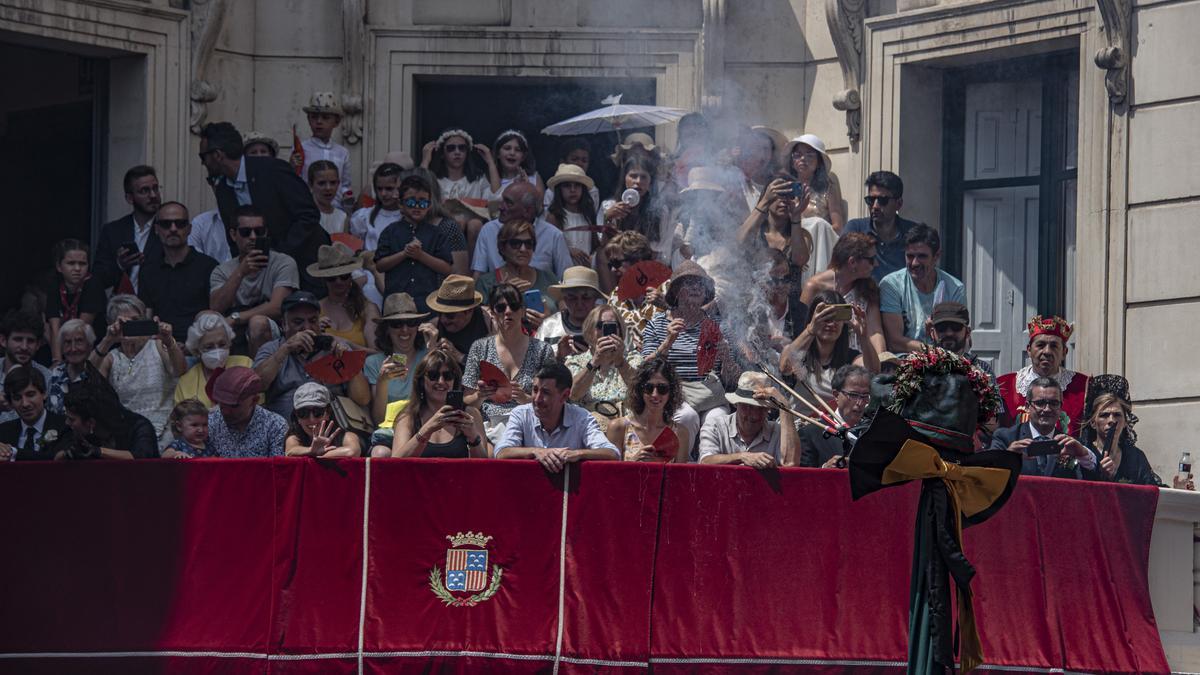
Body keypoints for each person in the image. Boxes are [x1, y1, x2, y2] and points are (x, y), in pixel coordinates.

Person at [199, 121, 328, 295]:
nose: (203, 164)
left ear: (217, 155)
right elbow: (234, 237)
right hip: (262, 278)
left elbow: (308, 214)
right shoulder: (223, 190)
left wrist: (280, 254)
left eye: (203, 157)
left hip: (306, 266)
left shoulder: (273, 170)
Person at [641, 261, 738, 426]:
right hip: (672, 395)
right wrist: (667, 343)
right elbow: (644, 370)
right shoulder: (657, 324)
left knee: (718, 420)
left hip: (710, 396)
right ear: (676, 291)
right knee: (686, 416)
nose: (696, 288)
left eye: (701, 284)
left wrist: (727, 358)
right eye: (689, 283)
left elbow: (732, 382)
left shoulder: (719, 326)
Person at [254, 290, 364, 419]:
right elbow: (257, 386)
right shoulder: (272, 349)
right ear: (284, 324)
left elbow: (362, 399)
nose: (307, 327)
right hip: (285, 426)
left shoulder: (334, 347)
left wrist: (348, 360)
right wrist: (285, 349)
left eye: (313, 321)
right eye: (298, 322)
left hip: (331, 424)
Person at [462, 284, 557, 430]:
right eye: (501, 308)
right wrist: (480, 395)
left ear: (522, 311)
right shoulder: (479, 348)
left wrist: (526, 399)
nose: (508, 312)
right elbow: (467, 400)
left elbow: (553, 399)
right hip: (489, 427)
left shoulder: (542, 350)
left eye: (514, 306)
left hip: (530, 424)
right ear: (492, 313)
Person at [209, 204, 300, 356]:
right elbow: (216, 307)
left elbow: (277, 307)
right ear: (233, 235)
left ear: (266, 232)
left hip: (272, 329)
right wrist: (240, 272)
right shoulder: (222, 270)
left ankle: (259, 371)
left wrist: (235, 318)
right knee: (206, 318)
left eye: (259, 231)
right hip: (233, 331)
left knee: (257, 323)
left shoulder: (283, 262)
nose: (253, 237)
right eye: (246, 232)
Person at [494, 362, 620, 471]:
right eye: (535, 390)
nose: (537, 399)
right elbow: (501, 452)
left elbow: (612, 453)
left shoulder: (582, 418)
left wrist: (577, 454)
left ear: (564, 395)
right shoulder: (521, 414)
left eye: (546, 392)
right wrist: (536, 451)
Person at [92, 295, 185, 440]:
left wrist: (169, 341)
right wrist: (108, 340)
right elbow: (89, 378)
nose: (130, 326)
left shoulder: (158, 346)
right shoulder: (111, 358)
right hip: (130, 434)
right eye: (123, 323)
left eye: (135, 320)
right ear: (113, 325)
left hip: (166, 432)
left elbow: (179, 370)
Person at [375, 173, 463, 312]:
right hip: (396, 303)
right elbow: (380, 265)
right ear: (400, 204)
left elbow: (447, 269)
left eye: (422, 203)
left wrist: (421, 255)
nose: (417, 206)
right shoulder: (390, 232)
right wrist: (404, 254)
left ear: (429, 205)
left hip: (427, 303)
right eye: (411, 202)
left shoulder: (436, 233)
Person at [380, 349, 490, 459]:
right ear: (421, 381)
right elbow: (396, 462)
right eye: (433, 375)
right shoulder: (409, 417)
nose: (441, 381)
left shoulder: (470, 414)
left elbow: (483, 465)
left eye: (448, 376)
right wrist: (426, 431)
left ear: (454, 380)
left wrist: (473, 438)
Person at [137, 201, 219, 343]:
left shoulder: (209, 266)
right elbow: (147, 316)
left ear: (189, 229)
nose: (173, 229)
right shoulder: (148, 270)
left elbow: (216, 314)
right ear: (156, 229)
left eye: (180, 223)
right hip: (160, 344)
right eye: (166, 224)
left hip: (200, 346)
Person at [996, 315, 1090, 436]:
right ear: (1029, 350)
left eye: (1054, 346)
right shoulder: (1004, 385)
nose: (1047, 351)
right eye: (1040, 345)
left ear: (1064, 352)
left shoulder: (1084, 386)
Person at [879, 224, 966, 353]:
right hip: (904, 360)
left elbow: (959, 337)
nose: (915, 263)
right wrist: (933, 351)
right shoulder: (891, 285)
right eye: (910, 256)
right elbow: (895, 342)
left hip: (944, 360)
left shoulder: (954, 288)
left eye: (922, 256)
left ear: (936, 256)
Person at [781, 290, 879, 403]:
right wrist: (810, 330)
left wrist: (863, 336)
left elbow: (873, 372)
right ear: (813, 318)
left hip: (835, 415)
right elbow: (785, 367)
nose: (832, 324)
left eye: (837, 318)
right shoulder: (801, 351)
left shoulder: (851, 358)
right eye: (826, 317)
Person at [989, 376, 1095, 478]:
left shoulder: (1070, 445)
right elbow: (988, 476)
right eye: (1040, 403)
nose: (1047, 409)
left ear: (1060, 408)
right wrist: (1007, 458)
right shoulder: (1005, 438)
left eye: (1054, 403)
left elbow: (1091, 481)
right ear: (1027, 407)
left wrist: (1083, 455)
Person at [800, 232, 886, 354]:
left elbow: (875, 332)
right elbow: (802, 330)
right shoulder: (815, 286)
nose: (876, 264)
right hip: (824, 356)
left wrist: (881, 360)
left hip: (860, 357)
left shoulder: (868, 288)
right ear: (852, 262)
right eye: (871, 260)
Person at [471, 181, 573, 279]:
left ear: (527, 211)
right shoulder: (488, 230)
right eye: (502, 201)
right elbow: (479, 275)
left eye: (509, 203)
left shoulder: (554, 236)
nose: (500, 207)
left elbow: (567, 279)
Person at [698, 371, 800, 468]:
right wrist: (742, 457)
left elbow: (790, 464)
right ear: (736, 404)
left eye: (761, 408)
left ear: (768, 409)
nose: (755, 415)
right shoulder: (715, 426)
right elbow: (705, 462)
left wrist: (785, 407)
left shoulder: (778, 432)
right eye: (748, 407)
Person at [362, 293, 429, 431]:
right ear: (386, 329)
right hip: (389, 432)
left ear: (418, 326)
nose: (405, 329)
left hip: (424, 428)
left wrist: (432, 350)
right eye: (396, 324)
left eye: (411, 323)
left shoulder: (428, 355)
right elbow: (379, 420)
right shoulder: (373, 363)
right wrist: (382, 381)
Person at [1078, 374, 1161, 486]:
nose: (1112, 420)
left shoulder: (1135, 457)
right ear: (1093, 422)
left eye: (1117, 415)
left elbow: (1152, 489)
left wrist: (1178, 489)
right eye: (1104, 415)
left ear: (1126, 422)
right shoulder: (1082, 452)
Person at [602, 154, 685, 266]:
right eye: (633, 176)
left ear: (650, 183)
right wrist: (607, 218)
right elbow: (603, 247)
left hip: (646, 266)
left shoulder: (659, 212)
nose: (638, 181)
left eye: (643, 177)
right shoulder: (609, 207)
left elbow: (662, 253)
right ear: (624, 179)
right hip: (617, 265)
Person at [93, 165, 162, 293]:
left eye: (155, 188)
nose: (153, 195)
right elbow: (98, 278)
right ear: (130, 198)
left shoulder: (169, 227)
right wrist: (120, 265)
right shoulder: (113, 231)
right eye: (144, 191)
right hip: (122, 302)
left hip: (157, 302)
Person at [605, 357, 689, 462]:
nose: (655, 394)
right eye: (649, 388)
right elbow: (610, 471)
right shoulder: (618, 428)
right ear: (640, 390)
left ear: (671, 392)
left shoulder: (680, 433)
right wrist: (634, 462)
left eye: (662, 388)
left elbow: (680, 472)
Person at [736, 173, 814, 287]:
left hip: (788, 297)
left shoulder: (802, 236)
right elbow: (739, 243)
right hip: (754, 295)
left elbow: (800, 260)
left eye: (790, 196)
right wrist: (764, 201)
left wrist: (796, 215)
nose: (785, 200)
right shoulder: (755, 233)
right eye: (780, 194)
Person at [566, 304, 641, 418]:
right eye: (600, 325)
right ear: (589, 331)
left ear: (620, 331)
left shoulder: (633, 359)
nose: (606, 331)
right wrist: (594, 362)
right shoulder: (575, 362)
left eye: (612, 325)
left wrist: (620, 361)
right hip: (589, 424)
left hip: (625, 423)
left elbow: (641, 390)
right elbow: (573, 394)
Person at [58, 378, 159, 460]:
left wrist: (98, 451)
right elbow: (56, 456)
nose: (67, 423)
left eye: (71, 419)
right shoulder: (77, 432)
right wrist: (67, 454)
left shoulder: (139, 427)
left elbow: (140, 457)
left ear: (91, 422)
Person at [844, 171, 918, 280]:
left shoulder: (914, 234)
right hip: (864, 290)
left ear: (899, 203)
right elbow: (840, 269)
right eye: (870, 200)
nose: (875, 206)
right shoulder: (856, 229)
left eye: (883, 200)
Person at [474, 219, 558, 315]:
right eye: (515, 243)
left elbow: (564, 312)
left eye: (528, 244)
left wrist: (547, 320)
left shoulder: (548, 278)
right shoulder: (486, 283)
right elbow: (479, 318)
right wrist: (502, 294)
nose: (523, 249)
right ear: (502, 247)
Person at [174, 311, 255, 408]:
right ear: (197, 350)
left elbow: (257, 406)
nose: (217, 352)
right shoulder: (186, 382)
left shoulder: (245, 364)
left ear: (229, 342)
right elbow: (183, 415)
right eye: (209, 347)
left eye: (222, 344)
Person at [309, 243, 380, 351]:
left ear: (351, 276)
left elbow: (377, 354)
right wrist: (314, 332)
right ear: (323, 279)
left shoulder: (367, 308)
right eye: (332, 277)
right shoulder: (314, 309)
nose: (338, 281)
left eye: (344, 276)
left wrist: (346, 344)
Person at [206, 366, 287, 458]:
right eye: (222, 405)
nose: (226, 411)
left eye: (233, 406)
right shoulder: (209, 423)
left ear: (254, 401)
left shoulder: (275, 426)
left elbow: (278, 465)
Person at [798, 364, 870, 468]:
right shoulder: (811, 433)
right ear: (836, 395)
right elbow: (803, 475)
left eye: (865, 396)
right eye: (853, 395)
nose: (860, 402)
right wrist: (825, 468)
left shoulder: (873, 431)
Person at [45, 239, 106, 363]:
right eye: (71, 263)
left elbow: (81, 328)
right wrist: (57, 363)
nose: (77, 268)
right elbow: (54, 327)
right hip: (64, 343)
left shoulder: (93, 285)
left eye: (82, 264)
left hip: (92, 347)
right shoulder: (54, 283)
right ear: (59, 267)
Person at [601, 231, 664, 342]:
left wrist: (667, 307)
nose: (613, 270)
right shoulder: (615, 296)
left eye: (616, 263)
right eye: (610, 265)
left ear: (638, 261)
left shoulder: (667, 289)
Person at [420, 275, 492, 368]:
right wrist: (432, 351)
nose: (443, 319)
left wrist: (459, 356)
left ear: (469, 311)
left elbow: (495, 367)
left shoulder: (488, 321)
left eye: (450, 315)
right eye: (439, 313)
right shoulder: (434, 327)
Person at [0, 367, 68, 461]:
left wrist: (13, 453)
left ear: (44, 393)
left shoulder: (65, 426)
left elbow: (54, 457)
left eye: (30, 395)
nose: (25, 404)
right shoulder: (3, 432)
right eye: (17, 398)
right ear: (11, 402)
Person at [783, 134, 846, 234]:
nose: (803, 158)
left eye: (809, 155)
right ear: (792, 162)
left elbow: (838, 226)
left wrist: (816, 229)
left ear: (818, 162)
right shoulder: (786, 188)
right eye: (797, 155)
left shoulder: (828, 189)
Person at [298, 92, 353, 205]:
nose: (319, 122)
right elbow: (295, 179)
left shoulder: (342, 152)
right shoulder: (301, 148)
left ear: (336, 122)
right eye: (314, 117)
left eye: (325, 118)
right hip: (308, 206)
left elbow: (345, 185)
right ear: (308, 120)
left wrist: (347, 196)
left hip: (335, 208)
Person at [538, 266, 604, 357]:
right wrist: (558, 356)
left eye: (586, 297)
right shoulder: (549, 326)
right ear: (564, 298)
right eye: (572, 297)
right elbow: (537, 362)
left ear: (595, 298)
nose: (579, 303)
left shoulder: (607, 324)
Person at [284, 382, 362, 457]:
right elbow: (290, 452)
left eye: (317, 412)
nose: (312, 419)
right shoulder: (294, 437)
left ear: (328, 413)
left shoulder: (345, 436)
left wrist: (318, 454)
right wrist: (311, 451)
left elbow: (352, 451)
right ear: (297, 418)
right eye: (303, 413)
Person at [544, 163, 600, 267]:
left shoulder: (588, 214)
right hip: (563, 269)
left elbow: (594, 243)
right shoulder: (554, 216)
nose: (573, 190)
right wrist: (569, 250)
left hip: (587, 268)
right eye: (567, 186)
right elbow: (549, 246)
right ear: (559, 190)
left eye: (577, 185)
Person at [350, 162, 405, 252]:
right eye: (379, 188)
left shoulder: (407, 216)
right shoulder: (365, 216)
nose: (383, 194)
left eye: (389, 188)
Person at [926, 301, 992, 376]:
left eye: (956, 327)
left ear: (967, 332)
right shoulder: (920, 368)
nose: (949, 333)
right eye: (942, 327)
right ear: (932, 333)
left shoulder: (982, 369)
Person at [46, 319, 96, 416]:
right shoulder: (55, 373)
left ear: (90, 346)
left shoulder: (98, 373)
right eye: (67, 342)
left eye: (79, 341)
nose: (73, 349)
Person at [733, 126, 787, 212]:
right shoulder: (737, 182)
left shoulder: (780, 184)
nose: (762, 154)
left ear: (772, 153)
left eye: (765, 148)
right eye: (757, 148)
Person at [491, 129, 544, 201]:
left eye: (518, 150)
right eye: (507, 148)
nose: (512, 153)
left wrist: (527, 187)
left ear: (523, 157)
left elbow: (539, 206)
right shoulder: (487, 179)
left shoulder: (534, 178)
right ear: (498, 154)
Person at [308, 160, 349, 236]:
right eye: (321, 183)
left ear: (338, 183)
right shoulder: (304, 215)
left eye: (333, 183)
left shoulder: (342, 217)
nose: (328, 188)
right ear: (311, 184)